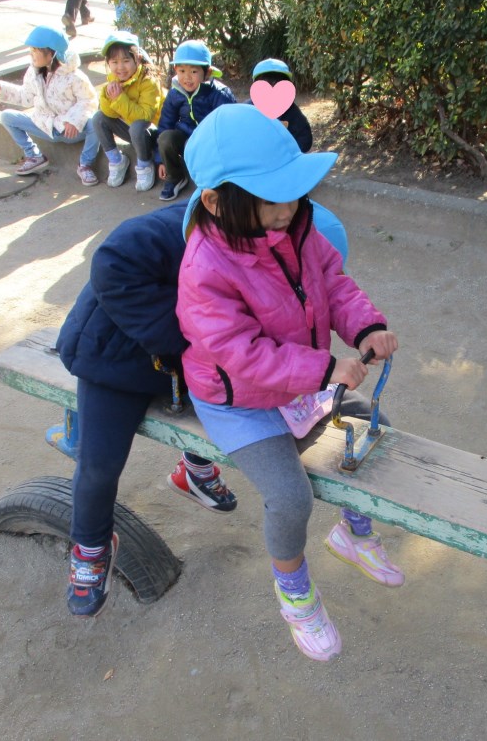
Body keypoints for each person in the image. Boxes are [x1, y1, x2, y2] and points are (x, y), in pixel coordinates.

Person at [176, 104, 405, 662]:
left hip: (298, 381)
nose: (290, 208)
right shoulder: (205, 267)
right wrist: (323, 370)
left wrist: (366, 326)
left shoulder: (298, 227)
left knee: (375, 430)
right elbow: (241, 355)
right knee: (288, 496)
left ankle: (354, 531)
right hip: (239, 401)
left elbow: (334, 282)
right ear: (217, 202)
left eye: (294, 193)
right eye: (272, 197)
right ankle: (295, 594)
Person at [53, 196, 353, 618]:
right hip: (115, 357)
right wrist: (189, 335)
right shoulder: (184, 230)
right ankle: (91, 543)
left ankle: (194, 471)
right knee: (99, 462)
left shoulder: (274, 240)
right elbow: (111, 263)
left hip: (198, 363)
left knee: (228, 406)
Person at [0, 25, 100, 186]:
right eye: (31, 51)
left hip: (71, 130)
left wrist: (73, 120)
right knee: (7, 116)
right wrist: (1, 88)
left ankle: (85, 165)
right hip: (44, 126)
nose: (31, 55)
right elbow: (25, 97)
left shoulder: (74, 76)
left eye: (35, 51)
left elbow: (89, 100)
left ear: (51, 53)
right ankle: (34, 155)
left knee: (96, 123)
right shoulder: (33, 73)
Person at [155, 40, 236, 202]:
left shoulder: (219, 93)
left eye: (193, 71)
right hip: (186, 138)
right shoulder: (175, 93)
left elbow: (229, 125)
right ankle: (175, 177)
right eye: (182, 71)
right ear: (175, 70)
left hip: (210, 141)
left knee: (195, 146)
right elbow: (165, 123)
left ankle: (211, 183)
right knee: (165, 137)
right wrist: (161, 160)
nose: (187, 77)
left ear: (207, 72)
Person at [92, 32, 164, 192]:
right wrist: (108, 96)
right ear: (108, 63)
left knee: (137, 126)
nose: (120, 67)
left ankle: (145, 164)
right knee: (98, 118)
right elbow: (110, 114)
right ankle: (117, 161)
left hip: (152, 135)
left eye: (126, 61)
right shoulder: (113, 78)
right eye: (114, 62)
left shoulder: (149, 81)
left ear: (137, 59)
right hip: (131, 130)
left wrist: (119, 99)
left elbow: (145, 115)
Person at [246, 58, 313, 152]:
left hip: (284, 156)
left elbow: (304, 138)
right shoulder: (248, 110)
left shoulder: (291, 111)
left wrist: (289, 153)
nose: (272, 86)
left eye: (278, 82)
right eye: (267, 82)